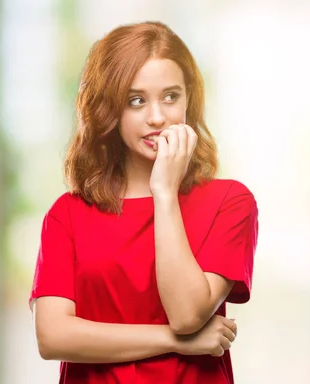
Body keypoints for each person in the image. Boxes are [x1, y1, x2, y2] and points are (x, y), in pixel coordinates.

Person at [29, 21, 259, 383]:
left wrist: (164, 192)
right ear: (110, 111)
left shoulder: (229, 202)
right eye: (136, 100)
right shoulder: (68, 214)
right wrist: (175, 342)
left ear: (190, 101)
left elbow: (187, 315)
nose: (157, 117)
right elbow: (52, 336)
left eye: (171, 97)